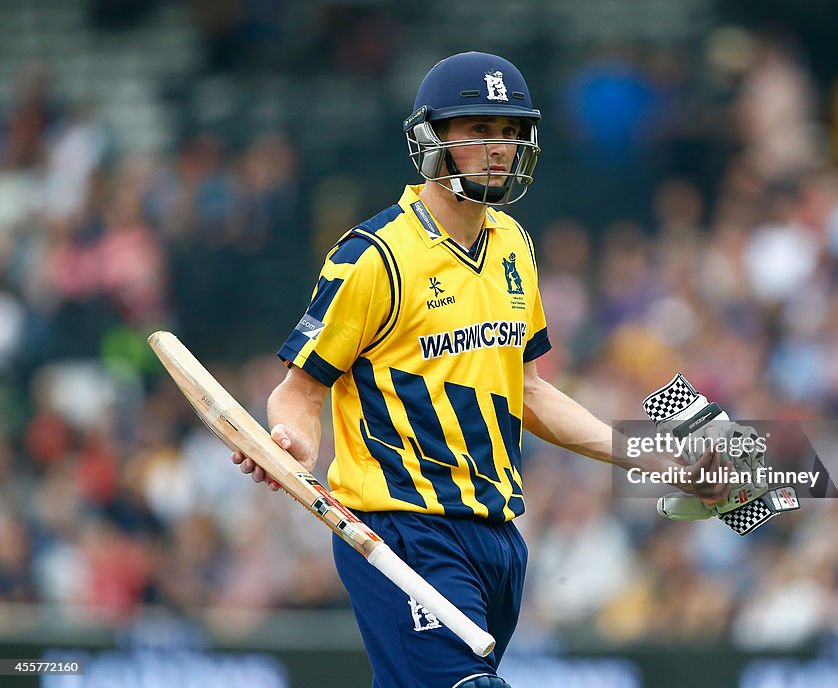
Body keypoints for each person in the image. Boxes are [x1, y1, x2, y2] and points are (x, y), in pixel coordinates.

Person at [231, 51, 728, 688]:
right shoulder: (373, 256)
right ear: (432, 139)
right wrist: (293, 440)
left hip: (498, 538)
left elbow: (531, 393)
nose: (498, 148)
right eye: (477, 132)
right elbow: (299, 390)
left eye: (508, 132)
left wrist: (655, 456)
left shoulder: (515, 243)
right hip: (400, 531)